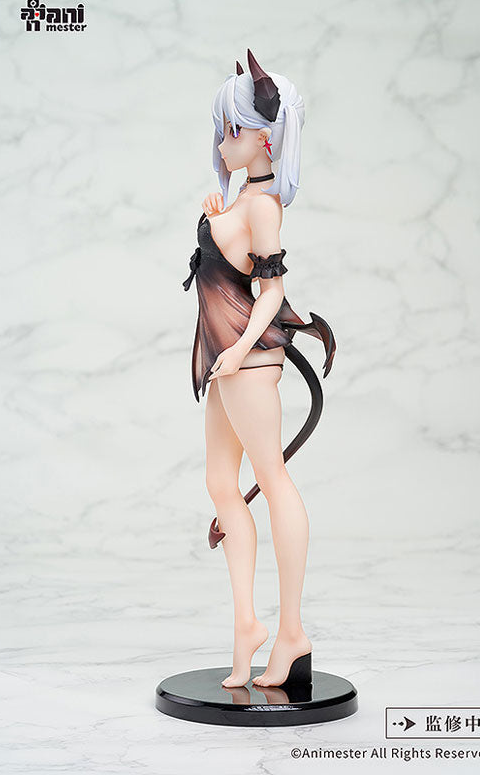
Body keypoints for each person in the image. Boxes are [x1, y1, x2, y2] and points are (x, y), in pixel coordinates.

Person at [182, 50, 336, 689]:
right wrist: (218, 223)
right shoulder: (244, 201)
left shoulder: (264, 207)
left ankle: (292, 631)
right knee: (222, 482)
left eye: (233, 130)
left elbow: (272, 291)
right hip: (225, 359)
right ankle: (247, 624)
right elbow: (233, 270)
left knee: (271, 478)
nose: (223, 142)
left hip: (246, 360)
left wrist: (242, 349)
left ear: (265, 137)